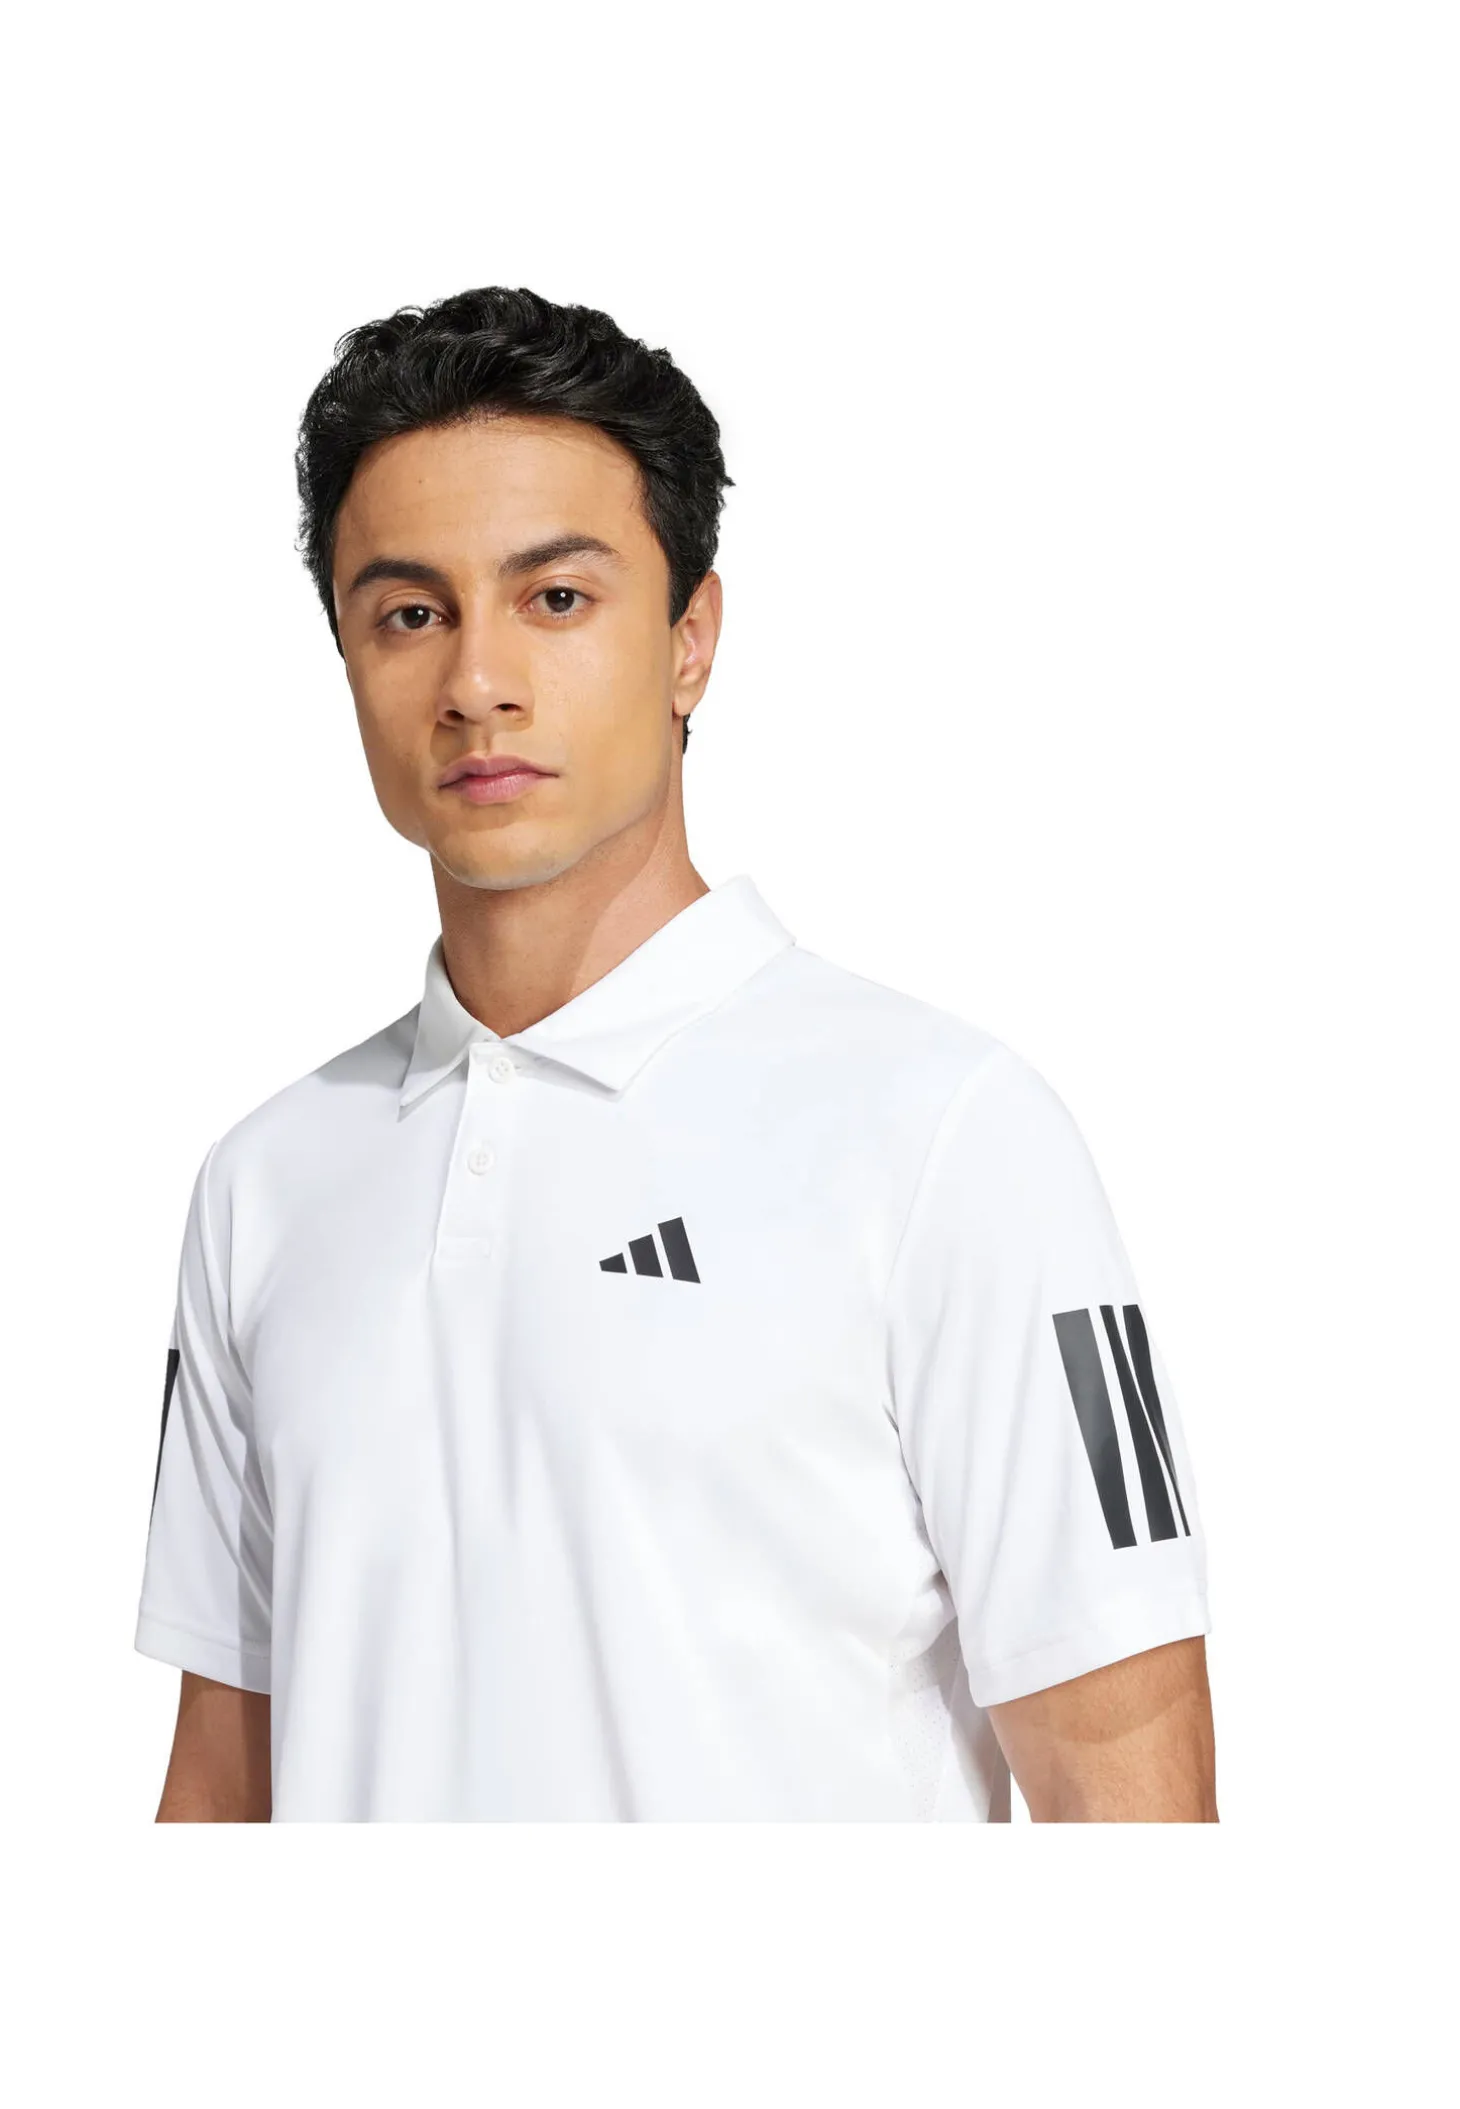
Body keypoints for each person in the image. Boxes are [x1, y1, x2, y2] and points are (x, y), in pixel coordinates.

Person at [134, 284, 1217, 1822]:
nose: (477, 682)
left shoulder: (949, 1135)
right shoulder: (265, 1181)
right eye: (411, 613)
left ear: (689, 641)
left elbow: (1132, 1791)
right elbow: (220, 1783)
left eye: (556, 599)